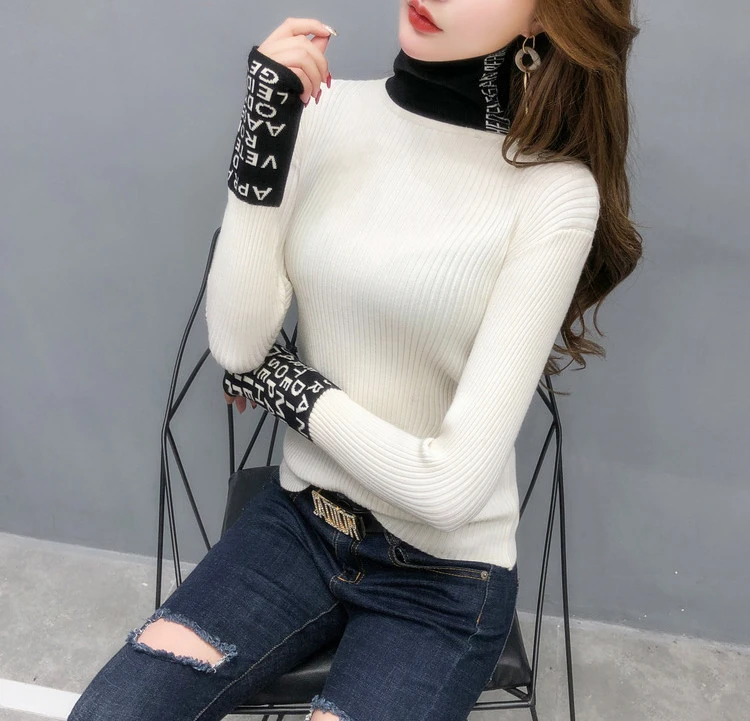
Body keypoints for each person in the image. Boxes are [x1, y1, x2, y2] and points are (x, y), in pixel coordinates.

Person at [69, 2, 642, 720]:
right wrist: (265, 129)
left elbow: (449, 489)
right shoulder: (324, 114)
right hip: (299, 524)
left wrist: (286, 385)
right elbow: (238, 342)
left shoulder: (555, 195)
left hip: (442, 580)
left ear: (542, 18)